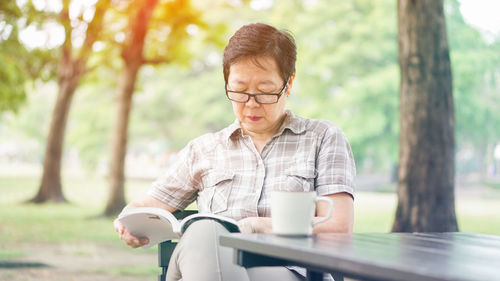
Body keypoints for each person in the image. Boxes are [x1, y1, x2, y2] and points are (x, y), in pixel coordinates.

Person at [114, 22, 355, 281]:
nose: (251, 104)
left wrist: (259, 227)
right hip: (205, 262)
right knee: (206, 233)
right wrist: (128, 222)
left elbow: (338, 227)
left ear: (289, 83)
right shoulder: (204, 150)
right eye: (239, 91)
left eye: (264, 92)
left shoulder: (323, 138)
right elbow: (148, 204)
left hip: (287, 272)